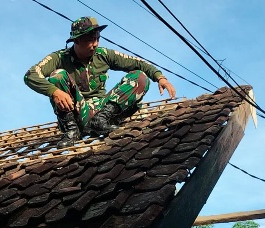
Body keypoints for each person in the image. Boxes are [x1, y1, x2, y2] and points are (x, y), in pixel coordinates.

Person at [24, 16, 176, 148]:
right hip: (78, 113)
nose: (95, 43)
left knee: (140, 76)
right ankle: (72, 131)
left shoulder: (103, 54)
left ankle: (100, 121)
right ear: (77, 40)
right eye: (90, 39)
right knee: (57, 76)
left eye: (97, 38)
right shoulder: (59, 57)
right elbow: (30, 75)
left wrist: (160, 78)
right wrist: (54, 91)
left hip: (103, 112)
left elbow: (138, 63)